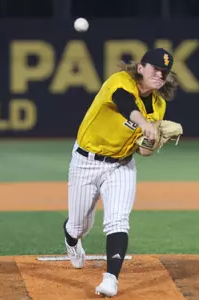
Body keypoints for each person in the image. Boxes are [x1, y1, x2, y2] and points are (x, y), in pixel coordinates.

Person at [63, 48, 179, 297]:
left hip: (121, 165)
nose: (160, 74)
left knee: (118, 220)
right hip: (86, 160)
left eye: (164, 71)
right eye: (155, 68)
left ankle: (111, 279)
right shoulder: (119, 81)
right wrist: (146, 124)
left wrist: (154, 141)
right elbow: (125, 104)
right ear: (141, 67)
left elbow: (143, 152)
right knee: (79, 225)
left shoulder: (158, 105)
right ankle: (72, 240)